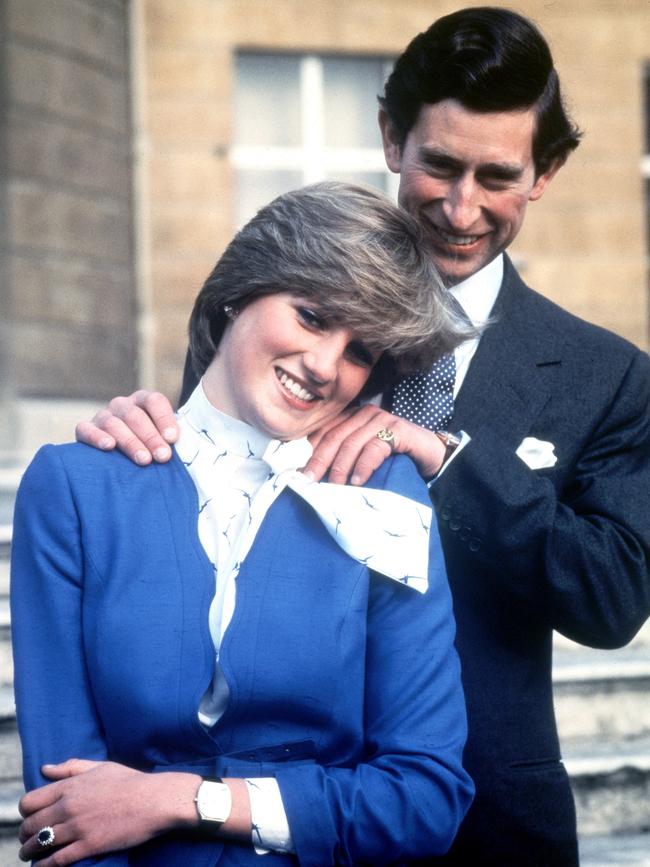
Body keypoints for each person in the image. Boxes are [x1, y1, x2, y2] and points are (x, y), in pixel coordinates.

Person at [74, 7, 650, 866]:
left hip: (496, 822)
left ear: (546, 172)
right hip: (284, 819)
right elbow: (198, 506)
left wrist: (448, 460)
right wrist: (137, 436)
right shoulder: (291, 323)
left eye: (498, 176)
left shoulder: (606, 373)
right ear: (391, 138)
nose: (462, 207)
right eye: (441, 165)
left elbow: (611, 600)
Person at [11, 182, 475, 867]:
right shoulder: (75, 488)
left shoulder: (385, 492)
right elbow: (62, 811)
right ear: (240, 290)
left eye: (359, 351)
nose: (325, 367)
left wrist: (182, 799)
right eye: (313, 317)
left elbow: (424, 797)